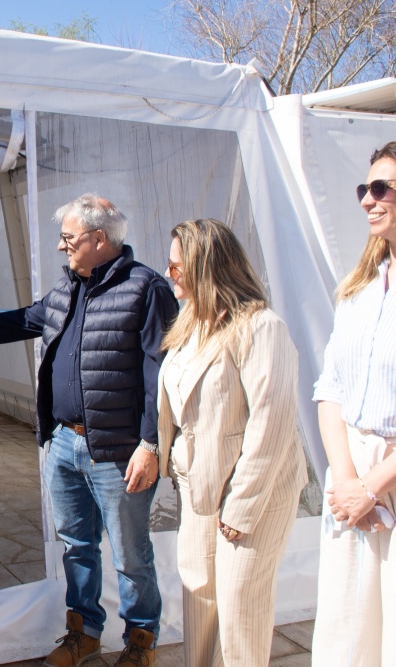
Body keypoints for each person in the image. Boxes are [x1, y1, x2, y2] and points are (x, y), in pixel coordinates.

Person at [0, 194, 177, 667]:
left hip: (119, 451)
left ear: (98, 239)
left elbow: (158, 374)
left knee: (130, 554)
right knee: (77, 545)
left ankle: (141, 642)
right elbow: (25, 319)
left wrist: (150, 445)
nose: (62, 247)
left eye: (68, 238)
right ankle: (84, 633)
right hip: (64, 442)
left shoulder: (146, 289)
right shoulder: (67, 290)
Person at [156, 218, 307, 666]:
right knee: (199, 599)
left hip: (252, 495)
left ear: (207, 268)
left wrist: (241, 507)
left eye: (177, 266)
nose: (169, 274)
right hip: (200, 488)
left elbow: (273, 423)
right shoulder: (188, 323)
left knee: (241, 610)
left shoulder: (261, 327)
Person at [310, 142, 396, 666]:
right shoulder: (358, 289)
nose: (367, 199)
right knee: (346, 635)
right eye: (364, 188)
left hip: (387, 474)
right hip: (351, 475)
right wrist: (346, 483)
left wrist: (375, 486)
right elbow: (329, 390)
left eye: (381, 187)